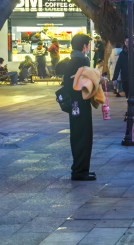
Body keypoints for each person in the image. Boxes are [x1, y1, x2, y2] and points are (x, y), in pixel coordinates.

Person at [57, 34, 97, 181]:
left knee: (78, 135)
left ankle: (80, 169)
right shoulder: (81, 61)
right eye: (88, 45)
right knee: (83, 136)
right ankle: (80, 171)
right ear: (84, 46)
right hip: (80, 103)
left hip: (75, 105)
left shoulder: (73, 60)